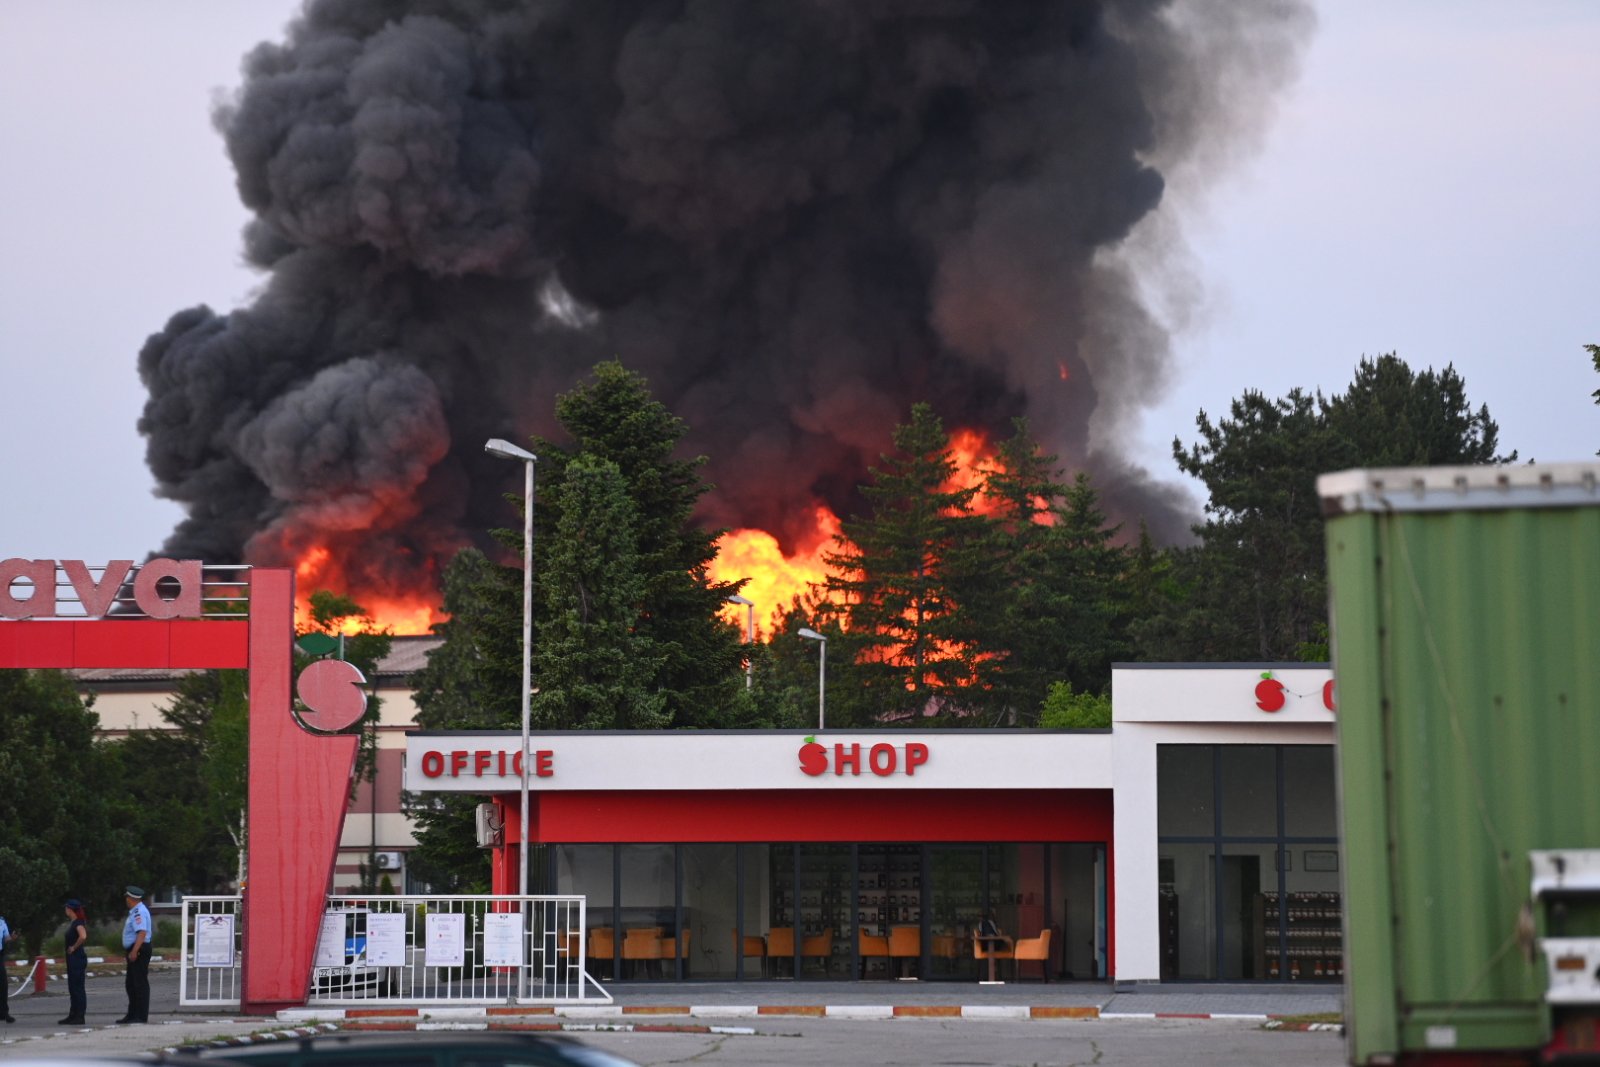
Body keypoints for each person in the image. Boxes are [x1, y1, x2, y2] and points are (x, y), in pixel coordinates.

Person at [117, 886, 153, 1024]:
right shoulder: (135, 911)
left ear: (131, 898)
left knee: (139, 984)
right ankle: (132, 1014)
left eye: (127, 897)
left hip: (139, 949)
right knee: (131, 984)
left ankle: (140, 1016)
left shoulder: (139, 912)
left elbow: (142, 933)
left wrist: (134, 951)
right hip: (136, 948)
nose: (126, 900)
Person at [59, 899, 89, 1025]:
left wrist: (73, 947)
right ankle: (73, 1014)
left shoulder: (78, 923)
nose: (65, 910)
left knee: (77, 988)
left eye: (66, 908)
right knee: (73, 987)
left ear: (70, 909)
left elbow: (83, 936)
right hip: (72, 960)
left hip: (77, 959)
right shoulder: (73, 922)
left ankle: (79, 1016)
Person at [0, 909, 16, 1023]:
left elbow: (6, 938)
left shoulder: (1, 921)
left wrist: (12, 937)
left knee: (3, 984)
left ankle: (4, 1012)